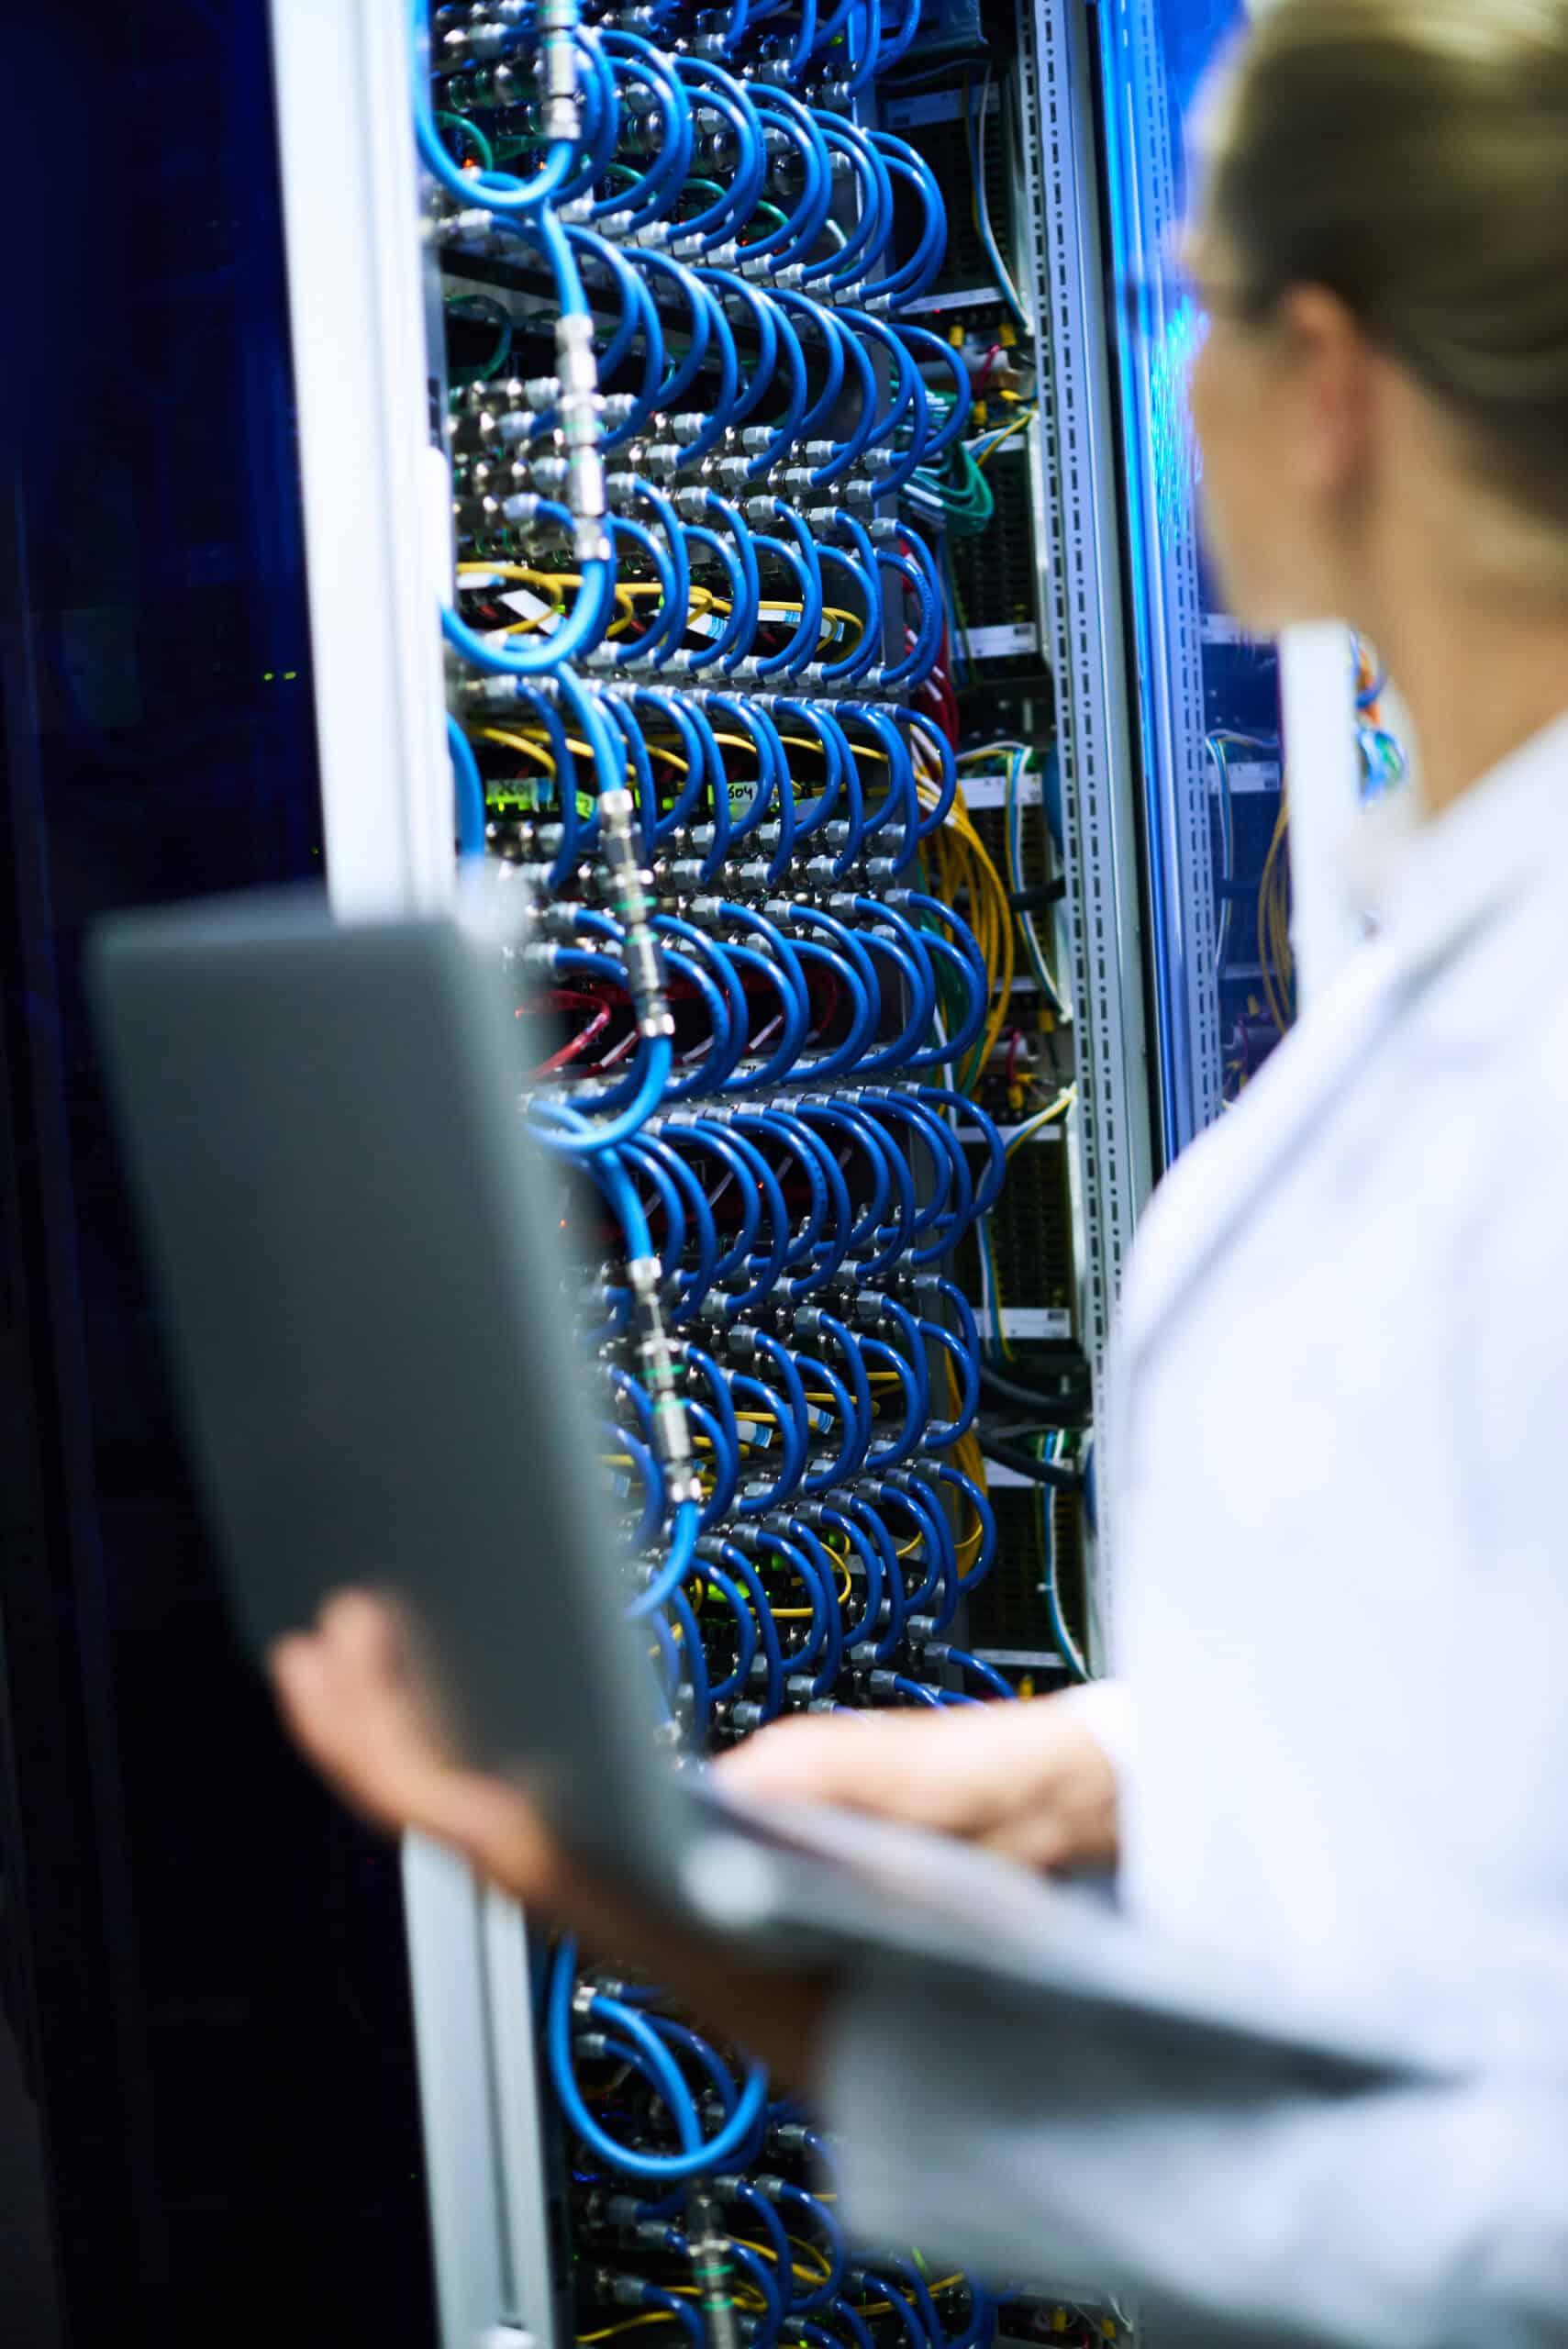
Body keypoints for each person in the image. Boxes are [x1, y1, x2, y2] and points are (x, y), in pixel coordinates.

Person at [272, 3, 1568, 2340]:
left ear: (1337, 383)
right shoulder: (1449, 938)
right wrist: (1070, 1771)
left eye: (1194, 290)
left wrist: (733, 1967)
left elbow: (1500, 2212)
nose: (1167, 378)